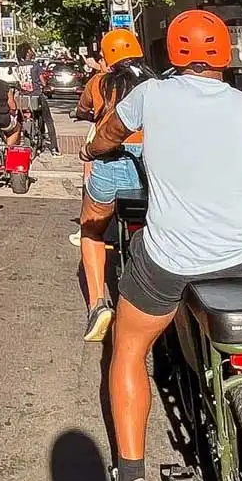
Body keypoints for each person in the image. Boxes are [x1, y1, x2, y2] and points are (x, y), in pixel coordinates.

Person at [84, 9, 242, 481]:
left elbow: (108, 134)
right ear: (225, 57)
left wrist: (96, 148)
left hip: (173, 258)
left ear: (172, 53)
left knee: (126, 349)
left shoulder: (151, 95)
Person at [74, 29, 153, 343]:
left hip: (112, 160)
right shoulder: (156, 84)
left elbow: (84, 111)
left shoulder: (100, 83)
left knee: (91, 229)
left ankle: (98, 305)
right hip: (152, 165)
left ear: (107, 58)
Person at [15, 42, 60, 155]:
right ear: (27, 52)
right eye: (30, 50)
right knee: (48, 121)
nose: (32, 51)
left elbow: (17, 83)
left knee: (20, 121)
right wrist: (45, 85)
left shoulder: (18, 67)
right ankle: (54, 148)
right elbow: (43, 81)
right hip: (36, 96)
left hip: (24, 98)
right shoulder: (35, 66)